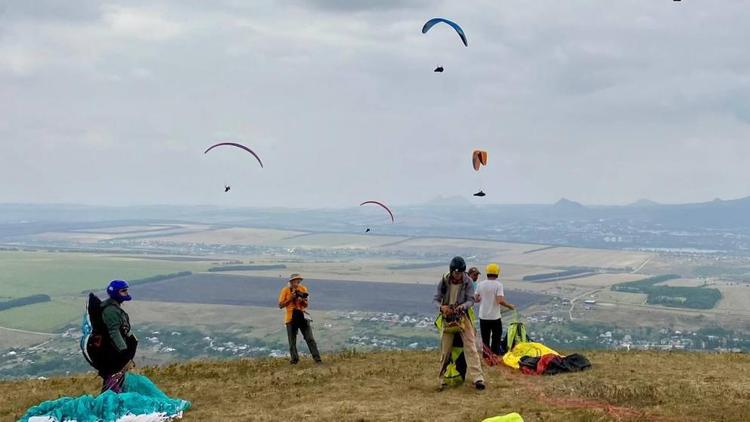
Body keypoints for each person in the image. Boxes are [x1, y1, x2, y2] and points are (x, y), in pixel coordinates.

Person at [434, 256, 485, 390]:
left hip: (463, 318)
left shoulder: (467, 281)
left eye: (461, 273)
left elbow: (471, 300)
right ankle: (441, 379)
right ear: (451, 271)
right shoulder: (444, 281)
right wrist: (442, 307)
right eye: (456, 273)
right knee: (445, 350)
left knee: (471, 347)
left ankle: (478, 379)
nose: (458, 276)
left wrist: (463, 307)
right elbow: (436, 299)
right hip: (447, 319)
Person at [100, 280, 138, 393]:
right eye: (123, 291)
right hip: (113, 353)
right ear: (116, 293)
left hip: (113, 351)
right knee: (113, 381)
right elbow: (114, 332)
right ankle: (110, 404)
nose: (126, 293)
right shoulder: (111, 310)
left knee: (116, 381)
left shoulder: (113, 307)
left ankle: (112, 402)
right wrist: (124, 352)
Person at [278, 273, 322, 364]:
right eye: (295, 280)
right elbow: (281, 305)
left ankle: (317, 359)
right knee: (292, 341)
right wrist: (291, 298)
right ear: (291, 281)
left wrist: (301, 300)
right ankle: (294, 360)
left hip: (302, 315)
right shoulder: (285, 290)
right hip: (291, 318)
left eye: (298, 280)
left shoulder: (303, 289)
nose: (297, 282)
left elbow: (306, 304)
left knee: (310, 338)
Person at [475, 263, 515, 356]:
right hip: (495, 317)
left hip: (483, 316)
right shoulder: (498, 285)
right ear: (497, 273)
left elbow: (476, 299)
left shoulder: (480, 284)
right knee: (496, 337)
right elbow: (499, 300)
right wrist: (509, 306)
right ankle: (494, 355)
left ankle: (486, 356)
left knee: (485, 338)